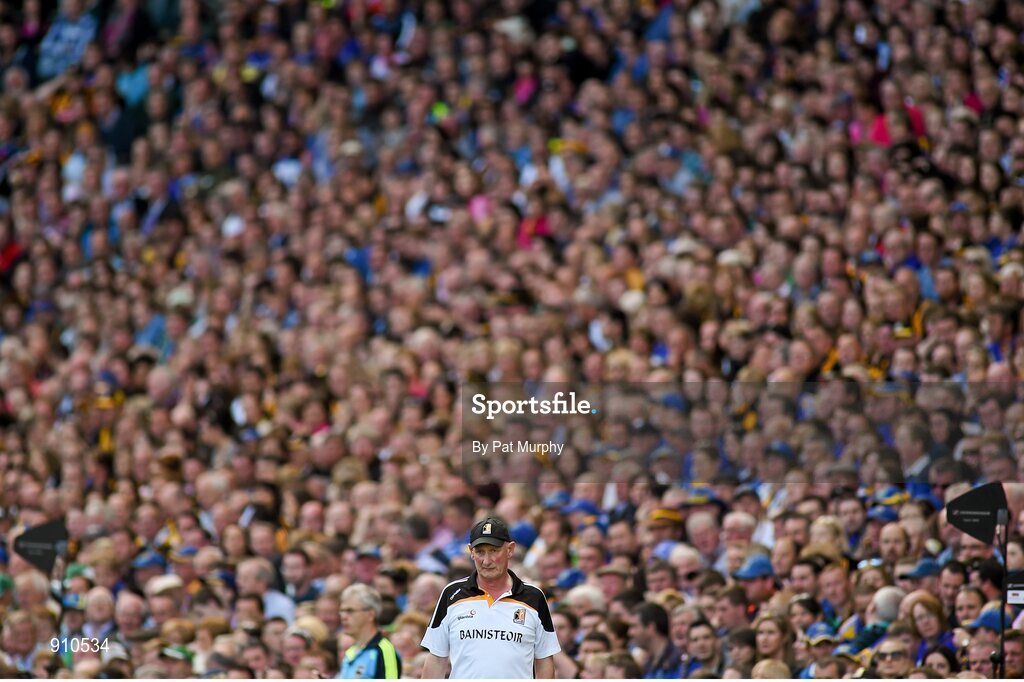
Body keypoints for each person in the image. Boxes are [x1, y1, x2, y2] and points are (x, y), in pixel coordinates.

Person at [421, 517, 559, 678]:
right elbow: (436, 658)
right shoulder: (451, 594)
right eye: (480, 552)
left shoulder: (534, 597)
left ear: (510, 549)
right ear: (471, 551)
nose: (487, 561)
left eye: (494, 550)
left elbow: (544, 660)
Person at [336, 584, 401, 679]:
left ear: (370, 614)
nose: (343, 617)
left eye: (350, 611)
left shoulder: (384, 651)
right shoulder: (350, 652)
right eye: (341, 611)